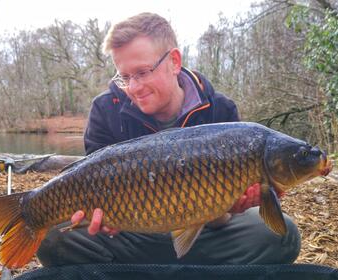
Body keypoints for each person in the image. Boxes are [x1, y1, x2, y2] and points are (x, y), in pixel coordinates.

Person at [36, 12, 301, 266]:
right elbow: (92, 187)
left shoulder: (220, 110)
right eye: (125, 77)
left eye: (142, 72)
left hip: (206, 231)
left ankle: (152, 270)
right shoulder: (105, 111)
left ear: (174, 61)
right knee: (51, 239)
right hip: (131, 232)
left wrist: (233, 206)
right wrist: (102, 220)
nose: (134, 87)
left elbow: (224, 217)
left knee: (282, 236)